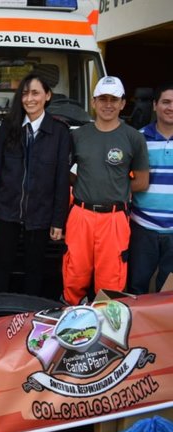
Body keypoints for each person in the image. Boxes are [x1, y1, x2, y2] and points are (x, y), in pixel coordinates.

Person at [62, 76, 149, 305]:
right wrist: (83, 183)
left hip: (114, 219)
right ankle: (72, 320)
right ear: (93, 102)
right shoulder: (78, 135)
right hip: (81, 215)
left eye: (114, 99)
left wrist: (113, 188)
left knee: (111, 280)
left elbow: (141, 181)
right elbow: (62, 171)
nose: (108, 104)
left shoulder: (134, 137)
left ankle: (106, 332)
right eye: (102, 99)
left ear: (122, 103)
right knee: (74, 274)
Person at [0, 72, 71, 296]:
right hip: (6, 210)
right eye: (24, 93)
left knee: (35, 270)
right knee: (2, 266)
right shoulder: (8, 128)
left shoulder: (60, 132)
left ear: (48, 96)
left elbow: (62, 179)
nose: (29, 99)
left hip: (41, 213)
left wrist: (58, 220)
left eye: (35, 93)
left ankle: (29, 319)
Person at [127, 83, 173, 294]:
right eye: (166, 102)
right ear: (155, 105)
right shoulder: (138, 138)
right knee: (137, 288)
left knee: (169, 294)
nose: (170, 107)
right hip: (143, 226)